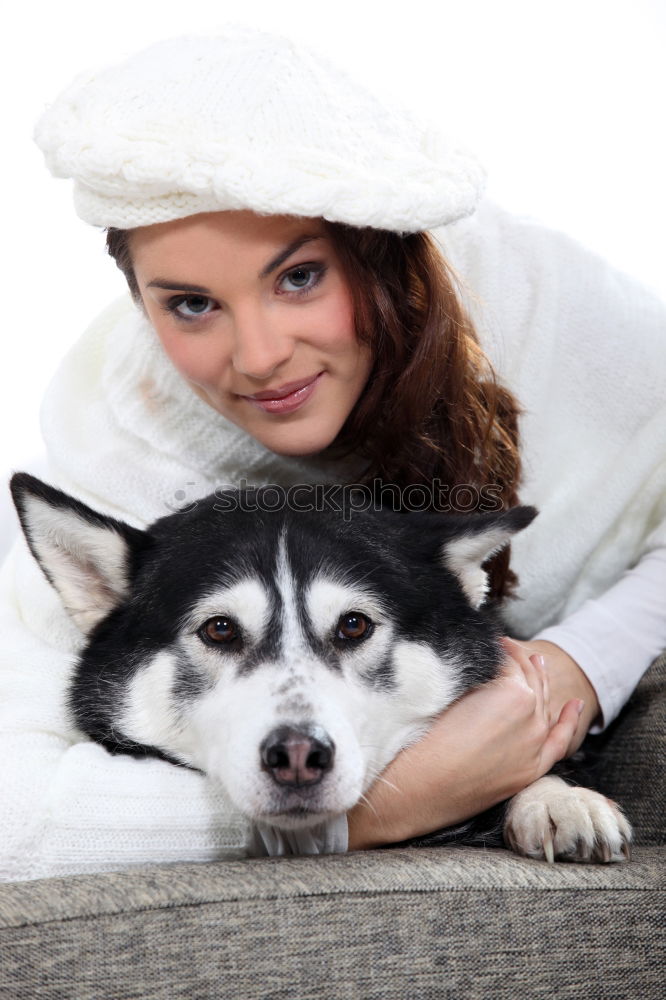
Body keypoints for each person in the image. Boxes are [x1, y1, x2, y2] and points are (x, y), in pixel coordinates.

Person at [2, 26, 665, 880]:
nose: (260, 355)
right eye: (193, 303)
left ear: (381, 253)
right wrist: (380, 811)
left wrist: (571, 670)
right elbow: (18, 816)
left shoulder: (546, 307)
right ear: (140, 303)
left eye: (299, 277)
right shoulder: (118, 452)